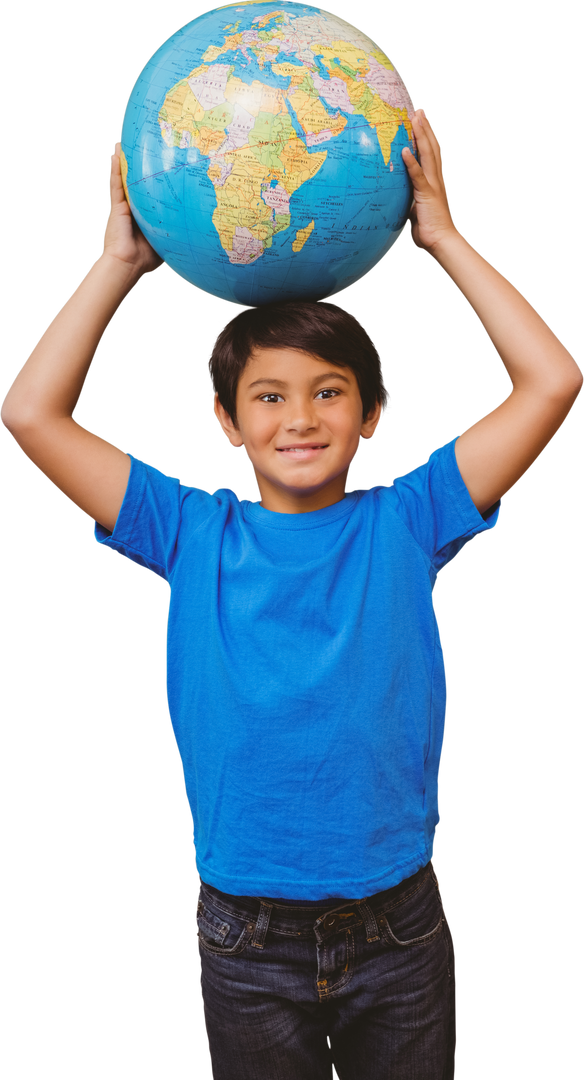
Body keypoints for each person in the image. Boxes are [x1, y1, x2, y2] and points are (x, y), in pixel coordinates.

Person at [1, 106, 581, 1080]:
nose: (298, 418)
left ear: (372, 415)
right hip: (243, 937)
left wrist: (439, 236)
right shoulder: (188, 530)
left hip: (398, 925)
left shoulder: (410, 518)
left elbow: (551, 381)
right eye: (267, 396)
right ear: (227, 423)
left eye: (327, 392)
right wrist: (116, 266)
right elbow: (29, 411)